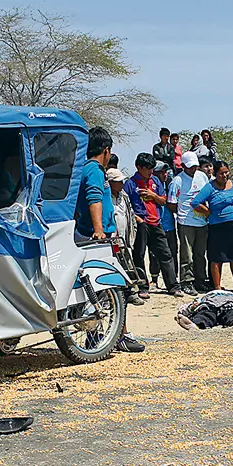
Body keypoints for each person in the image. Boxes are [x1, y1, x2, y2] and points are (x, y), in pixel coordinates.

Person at [74, 127, 144, 352]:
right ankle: (119, 335)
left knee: (97, 289)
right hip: (96, 237)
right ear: (106, 150)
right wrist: (99, 230)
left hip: (89, 233)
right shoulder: (94, 170)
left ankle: (100, 335)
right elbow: (94, 197)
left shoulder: (82, 169)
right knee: (114, 286)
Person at [124, 153, 182, 298]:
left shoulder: (155, 181)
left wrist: (153, 195)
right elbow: (125, 205)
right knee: (139, 255)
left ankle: (173, 286)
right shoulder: (130, 184)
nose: (150, 171)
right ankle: (143, 286)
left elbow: (163, 201)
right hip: (141, 223)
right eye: (147, 168)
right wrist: (137, 219)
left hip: (156, 222)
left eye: (152, 168)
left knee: (165, 254)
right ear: (139, 167)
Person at [192, 161, 233, 292]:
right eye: (221, 173)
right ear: (215, 174)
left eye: (226, 172)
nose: (225, 175)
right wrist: (208, 212)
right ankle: (217, 288)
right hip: (217, 227)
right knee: (216, 258)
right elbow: (195, 202)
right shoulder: (210, 187)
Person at [168, 151, 211, 295]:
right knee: (187, 254)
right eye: (190, 167)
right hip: (186, 222)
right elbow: (172, 203)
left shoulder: (202, 176)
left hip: (202, 221)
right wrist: (182, 213)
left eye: (195, 167)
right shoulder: (177, 181)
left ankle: (200, 280)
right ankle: (187, 281)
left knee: (200, 253)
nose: (193, 169)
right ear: (183, 166)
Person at [108, 168, 143, 306]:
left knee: (128, 266)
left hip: (125, 239)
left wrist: (132, 235)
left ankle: (131, 293)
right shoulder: (105, 197)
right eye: (118, 181)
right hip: (112, 240)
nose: (121, 183)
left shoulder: (124, 196)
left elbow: (130, 215)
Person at [149, 162, 178, 289]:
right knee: (154, 254)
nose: (164, 174)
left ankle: (173, 279)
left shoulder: (169, 187)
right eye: (161, 172)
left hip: (170, 226)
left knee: (172, 252)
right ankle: (154, 279)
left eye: (165, 171)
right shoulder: (149, 188)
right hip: (156, 225)